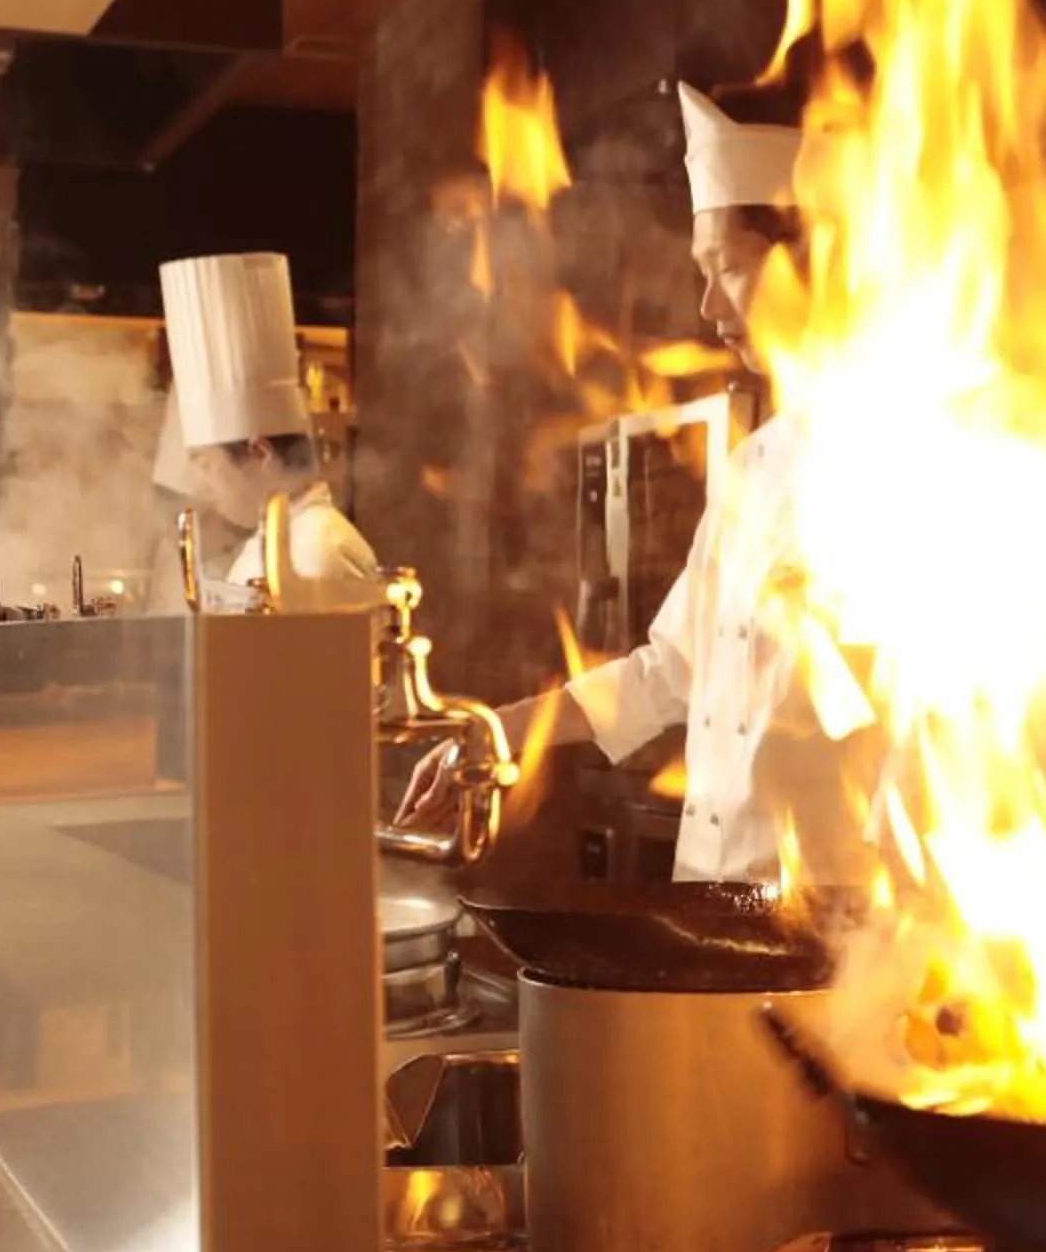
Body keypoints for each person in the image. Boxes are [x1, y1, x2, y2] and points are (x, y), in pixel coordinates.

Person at [407, 83, 849, 883]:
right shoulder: (755, 463)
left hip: (843, 930)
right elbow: (666, 672)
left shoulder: (919, 459)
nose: (710, 304)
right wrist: (497, 734)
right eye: (701, 272)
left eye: (731, 270)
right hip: (714, 897)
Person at [161, 251, 382, 613]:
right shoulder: (274, 543)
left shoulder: (318, 548)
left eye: (206, 464)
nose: (203, 486)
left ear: (260, 453)